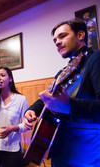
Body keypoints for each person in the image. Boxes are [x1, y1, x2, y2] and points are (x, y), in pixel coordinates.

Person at [24, 19, 100, 167]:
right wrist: (32, 109)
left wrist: (69, 106)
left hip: (85, 156)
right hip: (60, 152)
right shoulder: (63, 72)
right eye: (54, 40)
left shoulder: (96, 59)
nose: (57, 42)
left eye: (62, 36)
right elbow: (49, 98)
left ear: (80, 35)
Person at [0, 66, 28, 167]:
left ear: (10, 79)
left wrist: (14, 128)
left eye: (2, 75)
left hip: (12, 149)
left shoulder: (21, 99)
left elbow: (27, 125)